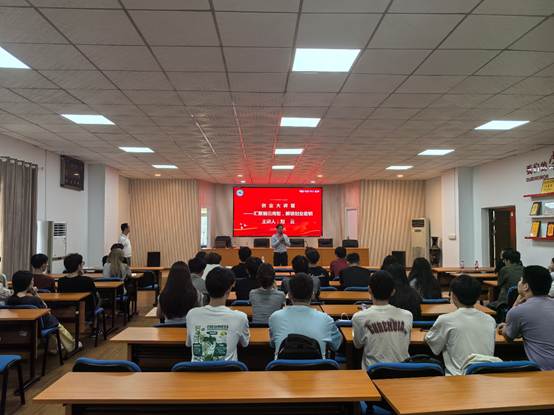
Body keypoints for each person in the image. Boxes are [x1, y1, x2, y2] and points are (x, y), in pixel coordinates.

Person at [425, 275, 496, 375]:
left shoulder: (445, 320)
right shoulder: (490, 320)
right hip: (485, 377)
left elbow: (432, 344)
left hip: (457, 379)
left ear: (453, 296)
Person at [269, 273, 342, 358]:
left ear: (289, 295)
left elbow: (272, 344)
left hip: (282, 366)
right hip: (318, 366)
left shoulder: (275, 318)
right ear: (312, 295)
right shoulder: (326, 320)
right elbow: (337, 345)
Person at [352, 271, 413, 370]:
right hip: (402, 372)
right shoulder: (408, 315)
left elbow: (358, 344)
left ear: (369, 290)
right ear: (393, 292)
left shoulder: (359, 317)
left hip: (373, 374)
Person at [186, 267, 249, 361]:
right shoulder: (240, 317)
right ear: (229, 290)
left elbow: (189, 343)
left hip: (197, 369)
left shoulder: (192, 314)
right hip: (228, 369)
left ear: (207, 287)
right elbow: (245, 343)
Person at [7, 271, 78, 353]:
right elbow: (45, 309)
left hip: (18, 328)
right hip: (37, 328)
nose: (33, 282)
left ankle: (55, 346)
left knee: (51, 321)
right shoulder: (34, 300)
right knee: (53, 322)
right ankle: (72, 346)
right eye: (32, 281)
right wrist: (35, 294)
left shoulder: (9, 300)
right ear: (28, 284)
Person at [498, 265, 554, 370]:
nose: (519, 282)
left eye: (521, 280)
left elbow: (509, 337)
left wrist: (503, 328)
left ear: (525, 286)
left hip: (544, 371)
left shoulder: (518, 311)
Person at [58, 253, 99, 321]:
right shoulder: (87, 280)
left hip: (67, 310)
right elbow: (95, 297)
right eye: (82, 263)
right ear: (79, 266)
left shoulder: (61, 281)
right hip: (85, 310)